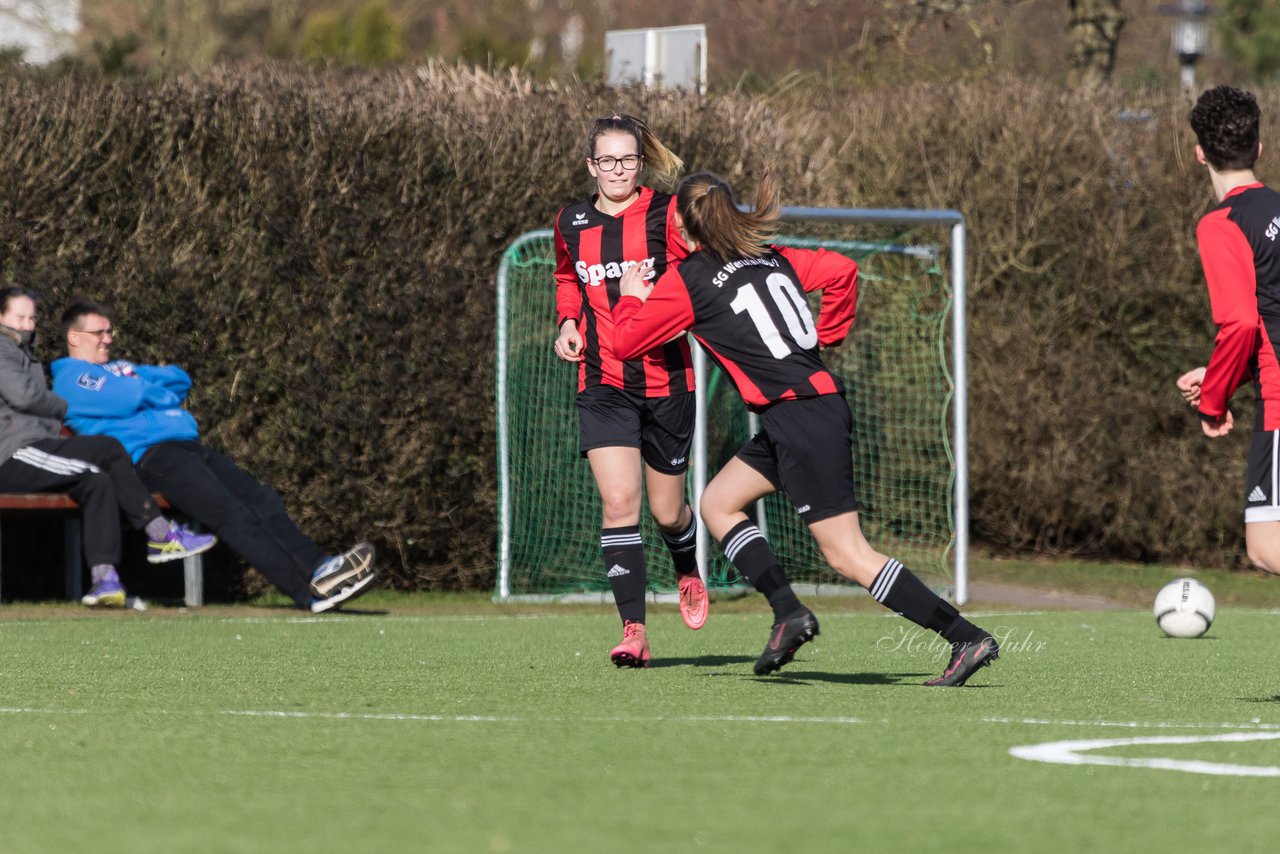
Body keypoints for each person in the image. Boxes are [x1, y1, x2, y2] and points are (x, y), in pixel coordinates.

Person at [611, 171, 999, 685]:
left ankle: (964, 637)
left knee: (848, 554)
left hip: (799, 416)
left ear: (680, 221)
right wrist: (827, 335)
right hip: (806, 408)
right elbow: (841, 269)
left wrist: (634, 296)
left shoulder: (690, 280)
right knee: (717, 503)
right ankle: (787, 612)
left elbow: (623, 344)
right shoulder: (775, 256)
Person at [50, 300, 377, 613]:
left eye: (110, 332)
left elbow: (179, 378)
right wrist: (148, 391)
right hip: (152, 458)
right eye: (99, 333)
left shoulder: (119, 368)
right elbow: (130, 394)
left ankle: (321, 567)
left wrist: (141, 387)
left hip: (187, 447)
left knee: (261, 500)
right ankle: (307, 594)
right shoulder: (72, 378)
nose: (108, 339)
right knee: (231, 513)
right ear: (74, 337)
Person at [553, 113, 708, 667]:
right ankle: (634, 631)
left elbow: (703, 275)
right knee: (619, 503)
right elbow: (568, 276)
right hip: (602, 382)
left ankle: (688, 568)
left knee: (668, 514)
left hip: (667, 381)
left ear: (640, 164)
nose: (617, 169)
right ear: (591, 165)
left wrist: (654, 295)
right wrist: (568, 322)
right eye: (607, 160)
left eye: (628, 159)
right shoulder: (570, 220)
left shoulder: (666, 215)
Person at [0, 287, 216, 608]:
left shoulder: (23, 353)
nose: (28, 324)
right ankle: (160, 535)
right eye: (20, 317)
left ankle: (104, 580)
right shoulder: (2, 349)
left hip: (36, 449)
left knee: (97, 482)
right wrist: (62, 404)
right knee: (109, 449)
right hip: (13, 456)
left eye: (32, 317)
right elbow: (24, 396)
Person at [1176, 85, 1280, 575]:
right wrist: (1224, 374)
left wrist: (1214, 400)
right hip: (1269, 380)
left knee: (1265, 546)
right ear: (1259, 148)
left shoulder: (1221, 224)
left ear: (1200, 153)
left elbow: (1240, 323)